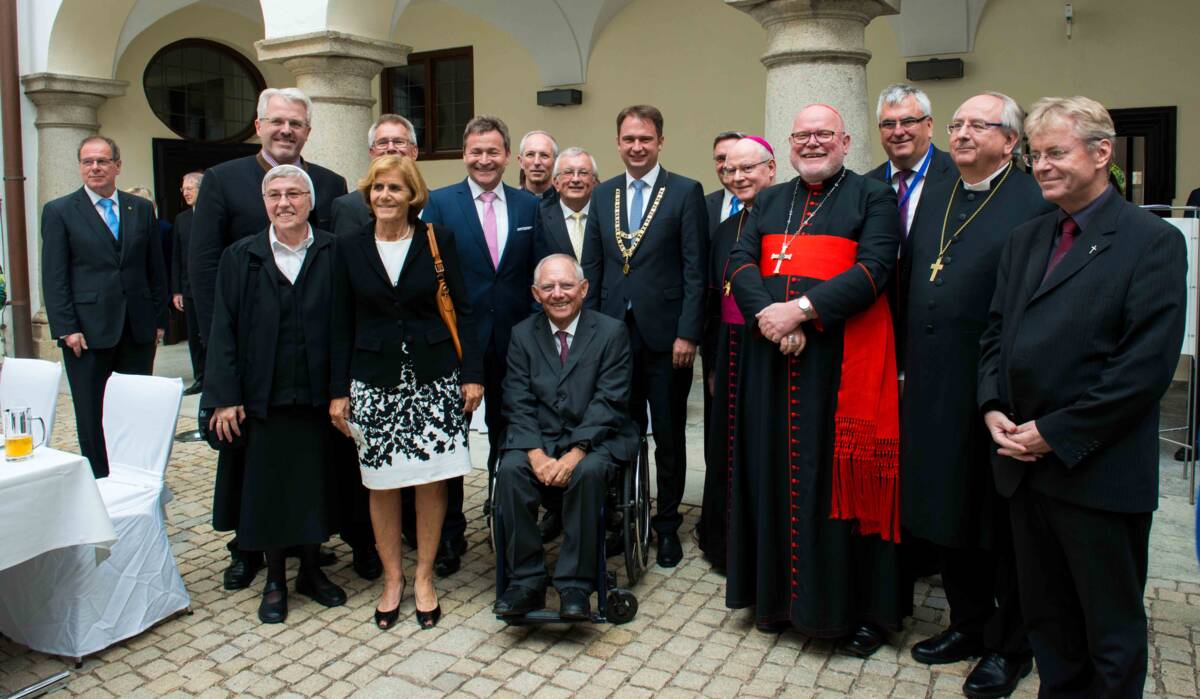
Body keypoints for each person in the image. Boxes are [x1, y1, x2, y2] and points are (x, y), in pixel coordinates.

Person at [980, 95, 1185, 698]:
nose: (1041, 166)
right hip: (1022, 467)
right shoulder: (1026, 239)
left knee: (1109, 633)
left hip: (1095, 471)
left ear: (1102, 153)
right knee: (1050, 623)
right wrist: (992, 406)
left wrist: (1056, 432)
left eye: (1056, 153)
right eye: (1036, 155)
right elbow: (995, 333)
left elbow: (1143, 369)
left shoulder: (1151, 241)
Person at [724, 104, 906, 656]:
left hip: (838, 361)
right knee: (774, 474)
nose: (811, 143)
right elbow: (738, 262)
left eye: (823, 134)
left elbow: (875, 269)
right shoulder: (770, 199)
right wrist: (771, 319)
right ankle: (776, 601)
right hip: (771, 362)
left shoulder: (872, 197)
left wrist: (801, 311)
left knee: (834, 483)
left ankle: (851, 612)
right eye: (802, 135)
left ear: (845, 141)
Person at [901, 92, 1054, 698]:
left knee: (1002, 523)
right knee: (948, 510)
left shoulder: (1031, 201)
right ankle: (967, 624)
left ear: (1010, 142)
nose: (961, 134)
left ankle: (1011, 645)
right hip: (934, 385)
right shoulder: (937, 191)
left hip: (1000, 390)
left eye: (978, 126)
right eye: (957, 124)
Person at [188, 87, 355, 591]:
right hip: (250, 350)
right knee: (251, 463)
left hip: (308, 358)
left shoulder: (328, 183)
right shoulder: (221, 180)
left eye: (296, 124)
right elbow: (204, 266)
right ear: (258, 125)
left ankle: (309, 544)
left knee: (308, 462)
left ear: (307, 131)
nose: (286, 130)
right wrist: (227, 374)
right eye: (277, 121)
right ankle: (247, 546)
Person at [330, 155, 484, 631]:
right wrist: (339, 390)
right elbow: (339, 321)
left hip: (433, 377)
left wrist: (472, 374)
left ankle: (423, 579)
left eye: (395, 188)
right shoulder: (349, 247)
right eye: (378, 188)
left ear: (412, 194)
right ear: (368, 194)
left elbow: (463, 308)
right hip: (374, 381)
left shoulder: (438, 240)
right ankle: (392, 580)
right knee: (381, 484)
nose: (385, 196)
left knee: (430, 481)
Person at [581, 104, 707, 568]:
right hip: (614, 338)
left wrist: (688, 333)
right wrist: (589, 333)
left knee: (669, 437)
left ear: (660, 142)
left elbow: (696, 270)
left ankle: (668, 526)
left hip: (667, 340)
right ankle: (625, 519)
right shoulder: (604, 194)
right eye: (629, 139)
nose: (637, 147)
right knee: (619, 432)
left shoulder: (684, 192)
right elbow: (592, 267)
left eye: (646, 139)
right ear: (618, 143)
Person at [421, 115, 541, 576]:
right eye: (476, 151)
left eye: (493, 151)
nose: (485, 159)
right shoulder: (439, 205)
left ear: (507, 156)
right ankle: (450, 534)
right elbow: (428, 276)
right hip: (457, 345)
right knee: (450, 443)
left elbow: (540, 272)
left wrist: (533, 331)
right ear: (463, 154)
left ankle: (504, 520)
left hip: (516, 345)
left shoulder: (529, 207)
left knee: (508, 438)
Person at [492, 254, 640, 618]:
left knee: (588, 473)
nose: (558, 294)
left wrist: (575, 453)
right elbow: (517, 399)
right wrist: (537, 455)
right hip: (537, 438)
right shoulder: (522, 334)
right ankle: (526, 581)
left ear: (584, 289)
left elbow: (610, 400)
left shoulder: (610, 332)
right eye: (548, 287)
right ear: (536, 293)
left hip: (597, 437)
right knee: (510, 471)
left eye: (566, 285)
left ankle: (576, 583)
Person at [41, 136, 167, 479]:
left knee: (135, 406)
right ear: (81, 167)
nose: (94, 167)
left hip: (137, 328)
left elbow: (155, 268)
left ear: (117, 165)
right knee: (91, 411)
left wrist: (158, 319)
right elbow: (54, 276)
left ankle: (136, 473)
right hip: (87, 332)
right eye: (87, 162)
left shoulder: (139, 208)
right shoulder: (60, 211)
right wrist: (66, 327)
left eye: (102, 161)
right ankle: (99, 479)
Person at [698, 136, 775, 574]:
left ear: (771, 169)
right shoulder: (726, 229)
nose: (738, 177)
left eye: (748, 169)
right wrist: (711, 361)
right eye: (730, 170)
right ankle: (726, 542)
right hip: (729, 346)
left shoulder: (786, 220)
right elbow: (712, 300)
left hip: (769, 342)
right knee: (726, 444)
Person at [865, 84, 956, 370]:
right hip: (882, 323)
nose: (898, 131)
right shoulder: (866, 185)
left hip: (940, 326)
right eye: (888, 124)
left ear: (929, 126)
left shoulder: (957, 177)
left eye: (908, 121)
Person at [331, 114, 419, 236]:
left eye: (398, 142)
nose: (391, 148)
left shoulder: (435, 203)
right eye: (382, 142)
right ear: (372, 153)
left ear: (414, 152)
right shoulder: (348, 207)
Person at [172, 172, 205, 396]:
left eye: (189, 188)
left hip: (212, 288)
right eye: (183, 189)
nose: (185, 192)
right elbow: (176, 255)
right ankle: (200, 378)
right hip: (190, 288)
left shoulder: (215, 214)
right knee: (194, 337)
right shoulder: (182, 219)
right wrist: (177, 290)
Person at [536, 147, 599, 264]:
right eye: (568, 172)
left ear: (594, 182)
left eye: (583, 173)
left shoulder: (607, 217)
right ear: (556, 183)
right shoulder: (539, 218)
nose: (575, 179)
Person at [704, 131, 746, 237]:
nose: (726, 165)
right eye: (721, 159)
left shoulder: (765, 203)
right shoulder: (703, 205)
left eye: (733, 156)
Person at [518, 130, 558, 200]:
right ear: (521, 162)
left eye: (544, 155)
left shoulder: (567, 204)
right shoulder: (508, 204)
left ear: (555, 162)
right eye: (530, 155)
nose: (537, 162)